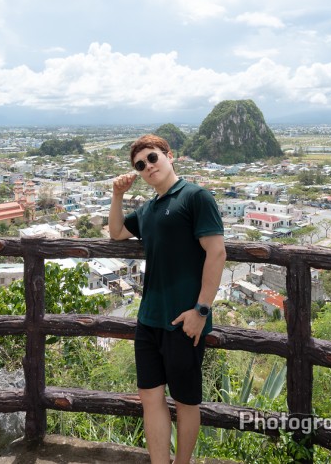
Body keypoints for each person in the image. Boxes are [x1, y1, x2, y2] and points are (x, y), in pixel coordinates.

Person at [109, 134, 227, 464]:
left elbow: (217, 253)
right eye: (140, 165)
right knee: (150, 397)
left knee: (186, 401)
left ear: (169, 155)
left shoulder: (195, 196)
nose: (148, 167)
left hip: (184, 321)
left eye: (152, 158)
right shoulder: (148, 209)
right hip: (149, 319)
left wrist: (201, 311)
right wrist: (117, 195)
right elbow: (116, 232)